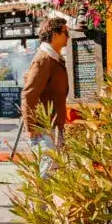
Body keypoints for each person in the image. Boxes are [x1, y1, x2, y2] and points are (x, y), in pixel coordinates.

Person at [22, 17, 70, 177]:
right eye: (65, 32)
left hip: (53, 127)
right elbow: (29, 94)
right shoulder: (44, 59)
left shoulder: (54, 59)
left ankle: (45, 203)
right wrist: (31, 127)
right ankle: (39, 204)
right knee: (46, 176)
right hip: (44, 129)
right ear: (54, 35)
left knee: (54, 175)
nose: (68, 36)